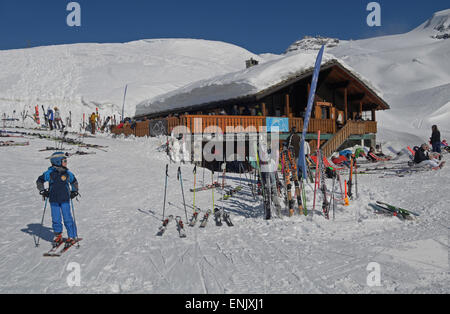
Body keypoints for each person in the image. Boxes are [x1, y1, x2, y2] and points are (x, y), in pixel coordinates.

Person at [36, 152, 79, 248]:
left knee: (67, 218)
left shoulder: (67, 173)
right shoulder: (49, 173)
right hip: (54, 200)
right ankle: (58, 235)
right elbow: (39, 181)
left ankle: (71, 236)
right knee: (56, 218)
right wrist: (42, 191)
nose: (66, 163)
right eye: (64, 161)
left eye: (66, 161)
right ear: (57, 162)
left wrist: (74, 191)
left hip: (65, 200)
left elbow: (74, 182)